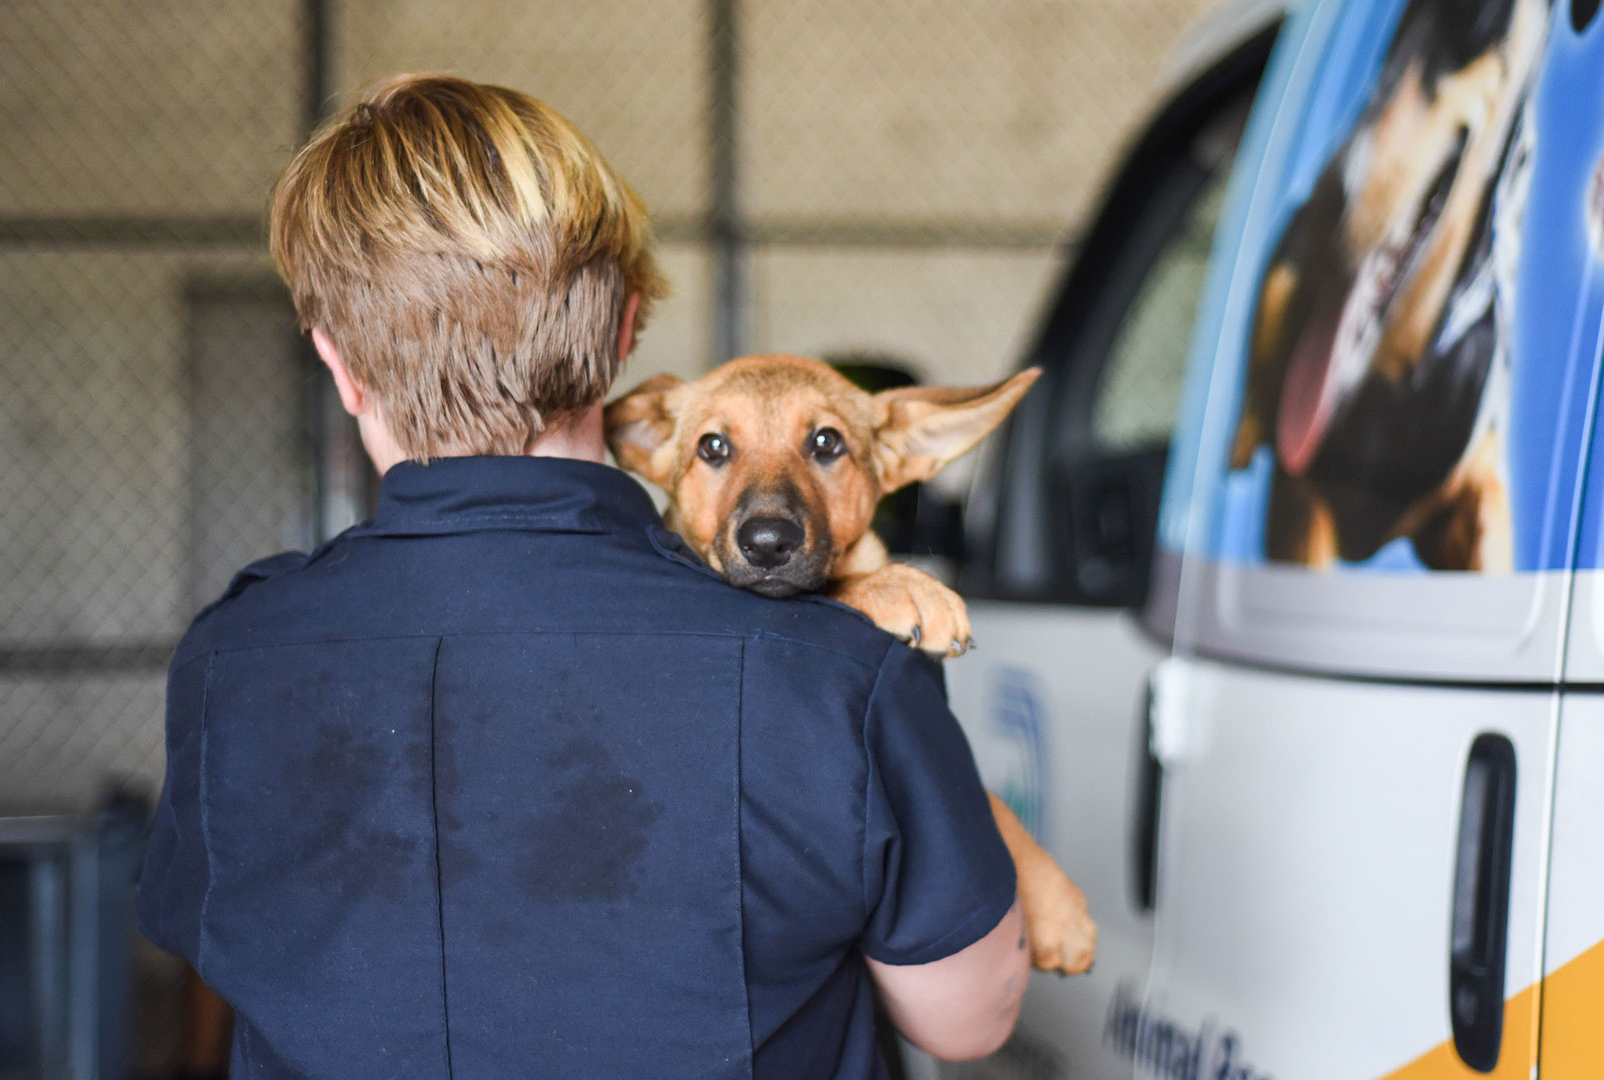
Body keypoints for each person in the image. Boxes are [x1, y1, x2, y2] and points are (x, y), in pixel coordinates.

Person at [135, 73, 1028, 1080]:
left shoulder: (228, 664)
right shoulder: (839, 670)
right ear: (621, 333)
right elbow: (969, 1020)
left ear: (340, 366)